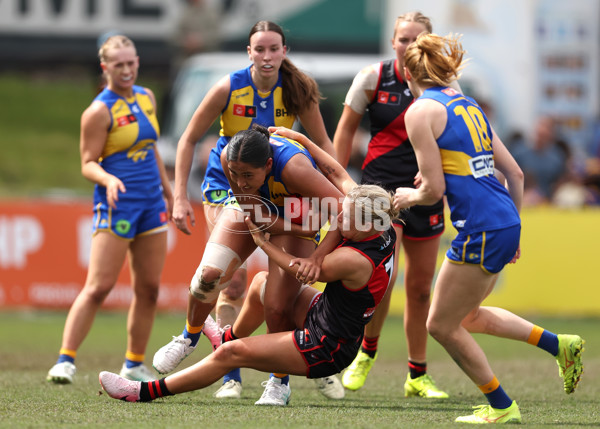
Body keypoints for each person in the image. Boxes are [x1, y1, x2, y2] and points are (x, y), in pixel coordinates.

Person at [394, 32, 584, 423]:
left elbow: (432, 191)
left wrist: (403, 198)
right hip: (502, 220)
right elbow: (514, 172)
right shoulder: (469, 105)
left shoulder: (419, 112)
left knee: (441, 325)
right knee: (469, 317)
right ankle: (559, 344)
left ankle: (501, 405)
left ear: (406, 73)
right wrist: (513, 230)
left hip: (480, 226)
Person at [152, 20, 343, 401]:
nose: (267, 56)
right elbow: (188, 138)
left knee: (277, 301)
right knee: (219, 278)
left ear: (284, 51)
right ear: (249, 52)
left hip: (286, 194)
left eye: (274, 49)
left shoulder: (295, 108)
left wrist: (328, 194)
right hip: (235, 186)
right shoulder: (228, 90)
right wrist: (177, 197)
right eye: (260, 49)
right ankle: (203, 347)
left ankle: (283, 375)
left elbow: (323, 145)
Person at [98, 183, 398, 404]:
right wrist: (303, 141)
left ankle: (143, 392)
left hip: (327, 346)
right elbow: (337, 178)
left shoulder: (353, 260)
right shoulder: (386, 228)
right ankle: (226, 337)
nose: (339, 221)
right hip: (327, 314)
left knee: (231, 356)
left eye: (346, 218)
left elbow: (304, 270)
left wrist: (263, 243)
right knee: (261, 285)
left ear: (368, 224)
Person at [46, 35, 173, 384]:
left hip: (151, 203)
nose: (128, 69)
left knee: (148, 288)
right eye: (119, 65)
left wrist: (169, 190)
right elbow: (87, 162)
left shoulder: (147, 97)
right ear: (106, 68)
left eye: (132, 62)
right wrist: (108, 180)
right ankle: (65, 360)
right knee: (99, 286)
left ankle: (133, 363)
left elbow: (151, 150)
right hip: (117, 204)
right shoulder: (98, 111)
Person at [334, 11, 448, 397]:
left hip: (426, 192)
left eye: (416, 39)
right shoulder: (373, 78)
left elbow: (455, 137)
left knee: (420, 289)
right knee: (386, 274)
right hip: (379, 191)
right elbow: (345, 131)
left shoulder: (443, 85)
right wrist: (336, 183)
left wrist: (437, 175)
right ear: (392, 42)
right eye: (402, 39)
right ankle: (367, 350)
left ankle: (417, 375)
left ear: (429, 43)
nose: (408, 46)